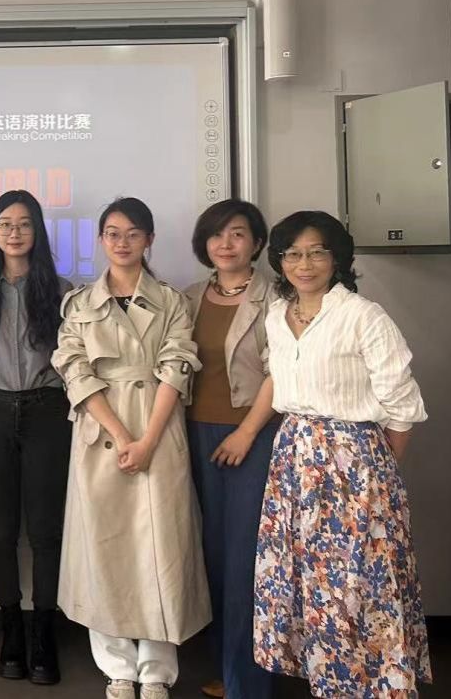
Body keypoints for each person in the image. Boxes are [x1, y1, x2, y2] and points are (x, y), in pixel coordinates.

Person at [253, 211, 431, 697]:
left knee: (360, 583)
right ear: (280, 260)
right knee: (308, 582)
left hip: (355, 464)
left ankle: (377, 686)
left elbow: (402, 405)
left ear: (336, 259)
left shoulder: (363, 315)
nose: (304, 264)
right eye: (293, 253)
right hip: (293, 462)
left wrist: (376, 472)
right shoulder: (276, 316)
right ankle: (328, 682)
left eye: (317, 252)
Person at [51, 196, 209, 699]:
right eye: (113, 233)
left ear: (149, 240)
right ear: (101, 239)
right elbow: (74, 370)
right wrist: (122, 437)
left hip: (158, 427)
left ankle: (157, 669)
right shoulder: (79, 304)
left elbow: (177, 368)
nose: (122, 243)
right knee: (104, 547)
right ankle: (117, 666)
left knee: (162, 547)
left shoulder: (172, 301)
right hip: (101, 433)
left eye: (133, 233)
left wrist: (147, 439)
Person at [0, 190, 72, 685]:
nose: (14, 232)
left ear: (37, 232)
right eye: (4, 224)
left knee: (46, 530)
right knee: (1, 528)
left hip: (48, 411)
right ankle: (10, 629)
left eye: (24, 224)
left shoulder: (62, 291)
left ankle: (44, 632)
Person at [181, 200, 277, 699]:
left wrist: (246, 433)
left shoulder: (275, 297)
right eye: (216, 235)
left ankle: (250, 683)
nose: (226, 244)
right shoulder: (189, 297)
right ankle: (226, 667)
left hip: (251, 439)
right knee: (212, 556)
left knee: (246, 561)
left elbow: (282, 371)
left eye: (237, 234)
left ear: (256, 243)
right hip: (194, 435)